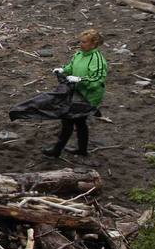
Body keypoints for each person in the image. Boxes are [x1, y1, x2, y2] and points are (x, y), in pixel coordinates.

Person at [44, 29, 108, 158]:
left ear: (93, 44)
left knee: (68, 120)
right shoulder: (79, 54)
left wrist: (80, 80)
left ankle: (57, 150)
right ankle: (82, 150)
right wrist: (63, 70)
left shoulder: (97, 59)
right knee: (79, 122)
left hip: (88, 96)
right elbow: (71, 67)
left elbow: (98, 79)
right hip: (77, 92)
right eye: (80, 41)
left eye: (84, 42)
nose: (81, 44)